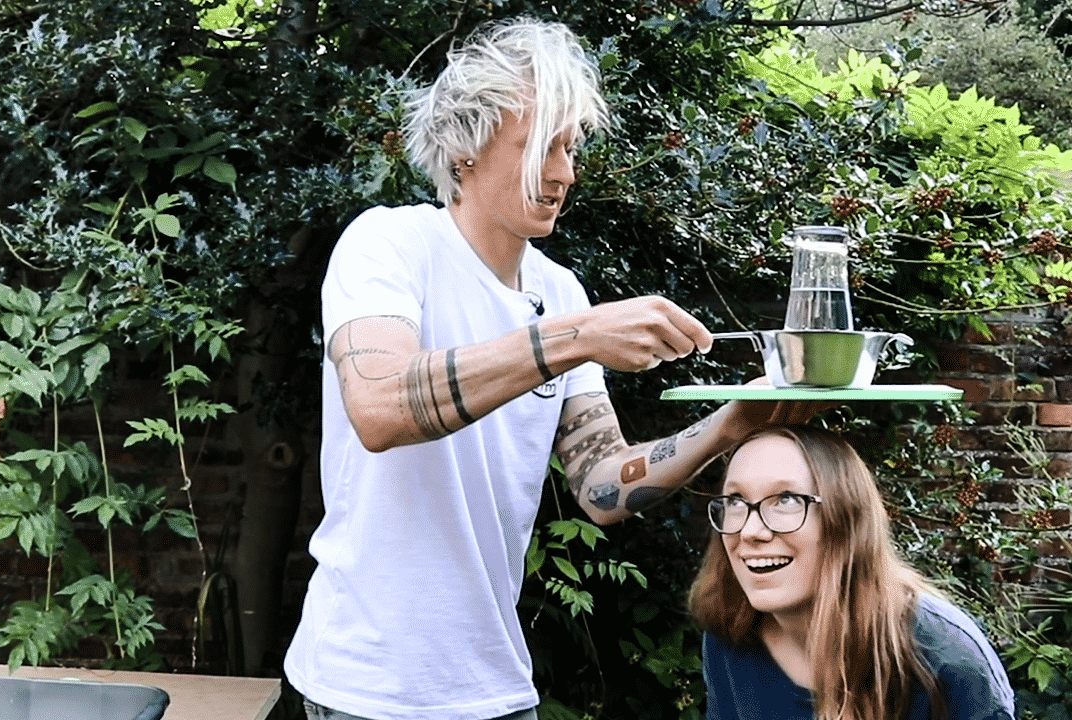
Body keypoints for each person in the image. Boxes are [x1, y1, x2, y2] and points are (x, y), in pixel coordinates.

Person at [283, 15, 830, 720]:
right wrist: (571, 337)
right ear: (466, 148)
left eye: (571, 148)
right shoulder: (389, 244)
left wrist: (733, 423)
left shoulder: (558, 291)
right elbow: (382, 408)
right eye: (543, 146)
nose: (565, 173)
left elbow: (602, 488)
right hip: (365, 691)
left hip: (498, 689)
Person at [689, 427, 1015, 720]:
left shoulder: (946, 657)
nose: (750, 531)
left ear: (846, 521)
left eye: (786, 500)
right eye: (735, 500)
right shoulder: (730, 633)